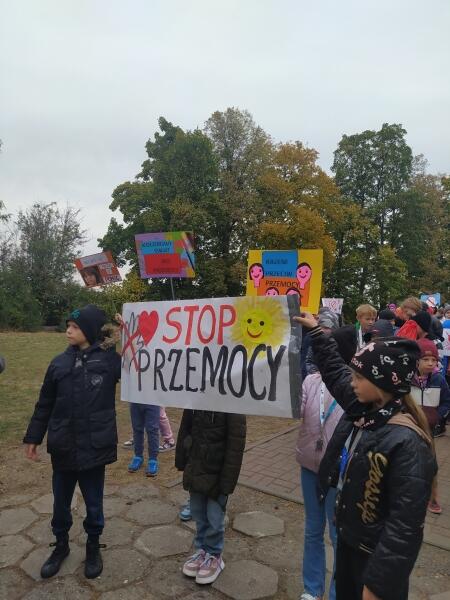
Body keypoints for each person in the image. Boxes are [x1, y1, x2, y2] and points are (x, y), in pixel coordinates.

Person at [294, 312, 437, 600]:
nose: (352, 382)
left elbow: (404, 529)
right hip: (350, 544)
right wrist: (316, 333)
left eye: (359, 376)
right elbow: (335, 372)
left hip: (373, 565)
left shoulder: (406, 443)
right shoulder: (364, 409)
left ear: (382, 383)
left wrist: (378, 585)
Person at [23, 305, 121, 579]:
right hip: (64, 445)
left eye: (75, 327)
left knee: (93, 503)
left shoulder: (110, 362)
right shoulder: (58, 363)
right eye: (68, 325)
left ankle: (93, 545)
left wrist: (133, 332)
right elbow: (45, 404)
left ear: (89, 331)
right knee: (60, 503)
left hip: (95, 447)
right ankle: (61, 545)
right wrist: (33, 437)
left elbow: (142, 367)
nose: (68, 330)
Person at [296, 325, 357, 600]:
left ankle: (336, 593)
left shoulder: (354, 387)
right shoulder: (311, 381)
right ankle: (312, 588)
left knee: (337, 535)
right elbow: (296, 409)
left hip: (338, 473)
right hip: (309, 466)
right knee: (312, 529)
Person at [176, 410, 246, 585]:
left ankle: (214, 554)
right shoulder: (196, 394)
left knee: (215, 517)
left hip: (219, 471)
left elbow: (236, 444)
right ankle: (202, 550)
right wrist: (181, 459)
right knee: (198, 512)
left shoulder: (233, 399)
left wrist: (227, 481)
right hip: (196, 464)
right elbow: (186, 427)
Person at [127, 402, 160, 476]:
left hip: (153, 401)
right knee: (137, 428)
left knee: (152, 430)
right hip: (135, 400)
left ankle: (153, 459)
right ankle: (138, 456)